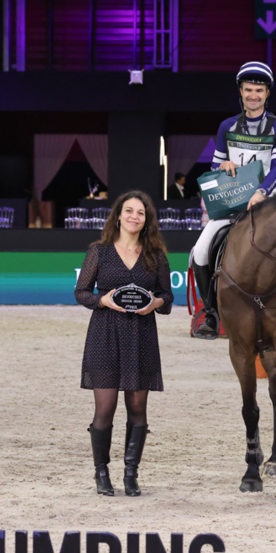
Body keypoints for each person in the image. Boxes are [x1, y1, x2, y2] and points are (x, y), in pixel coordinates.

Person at [191, 61, 276, 339]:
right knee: (200, 252)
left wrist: (261, 192)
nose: (253, 95)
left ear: (267, 93)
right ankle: (210, 313)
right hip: (233, 202)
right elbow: (214, 169)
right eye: (248, 89)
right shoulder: (226, 126)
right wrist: (222, 168)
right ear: (240, 91)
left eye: (259, 90)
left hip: (268, 200)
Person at [74, 190, 174, 497]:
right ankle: (101, 473)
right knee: (105, 408)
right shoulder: (99, 252)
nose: (134, 216)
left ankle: (131, 474)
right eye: (129, 211)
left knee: (137, 407)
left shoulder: (155, 254)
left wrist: (154, 303)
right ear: (118, 216)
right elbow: (81, 292)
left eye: (141, 213)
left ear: (146, 221)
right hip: (104, 333)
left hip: (141, 335)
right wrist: (101, 300)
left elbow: (168, 298)